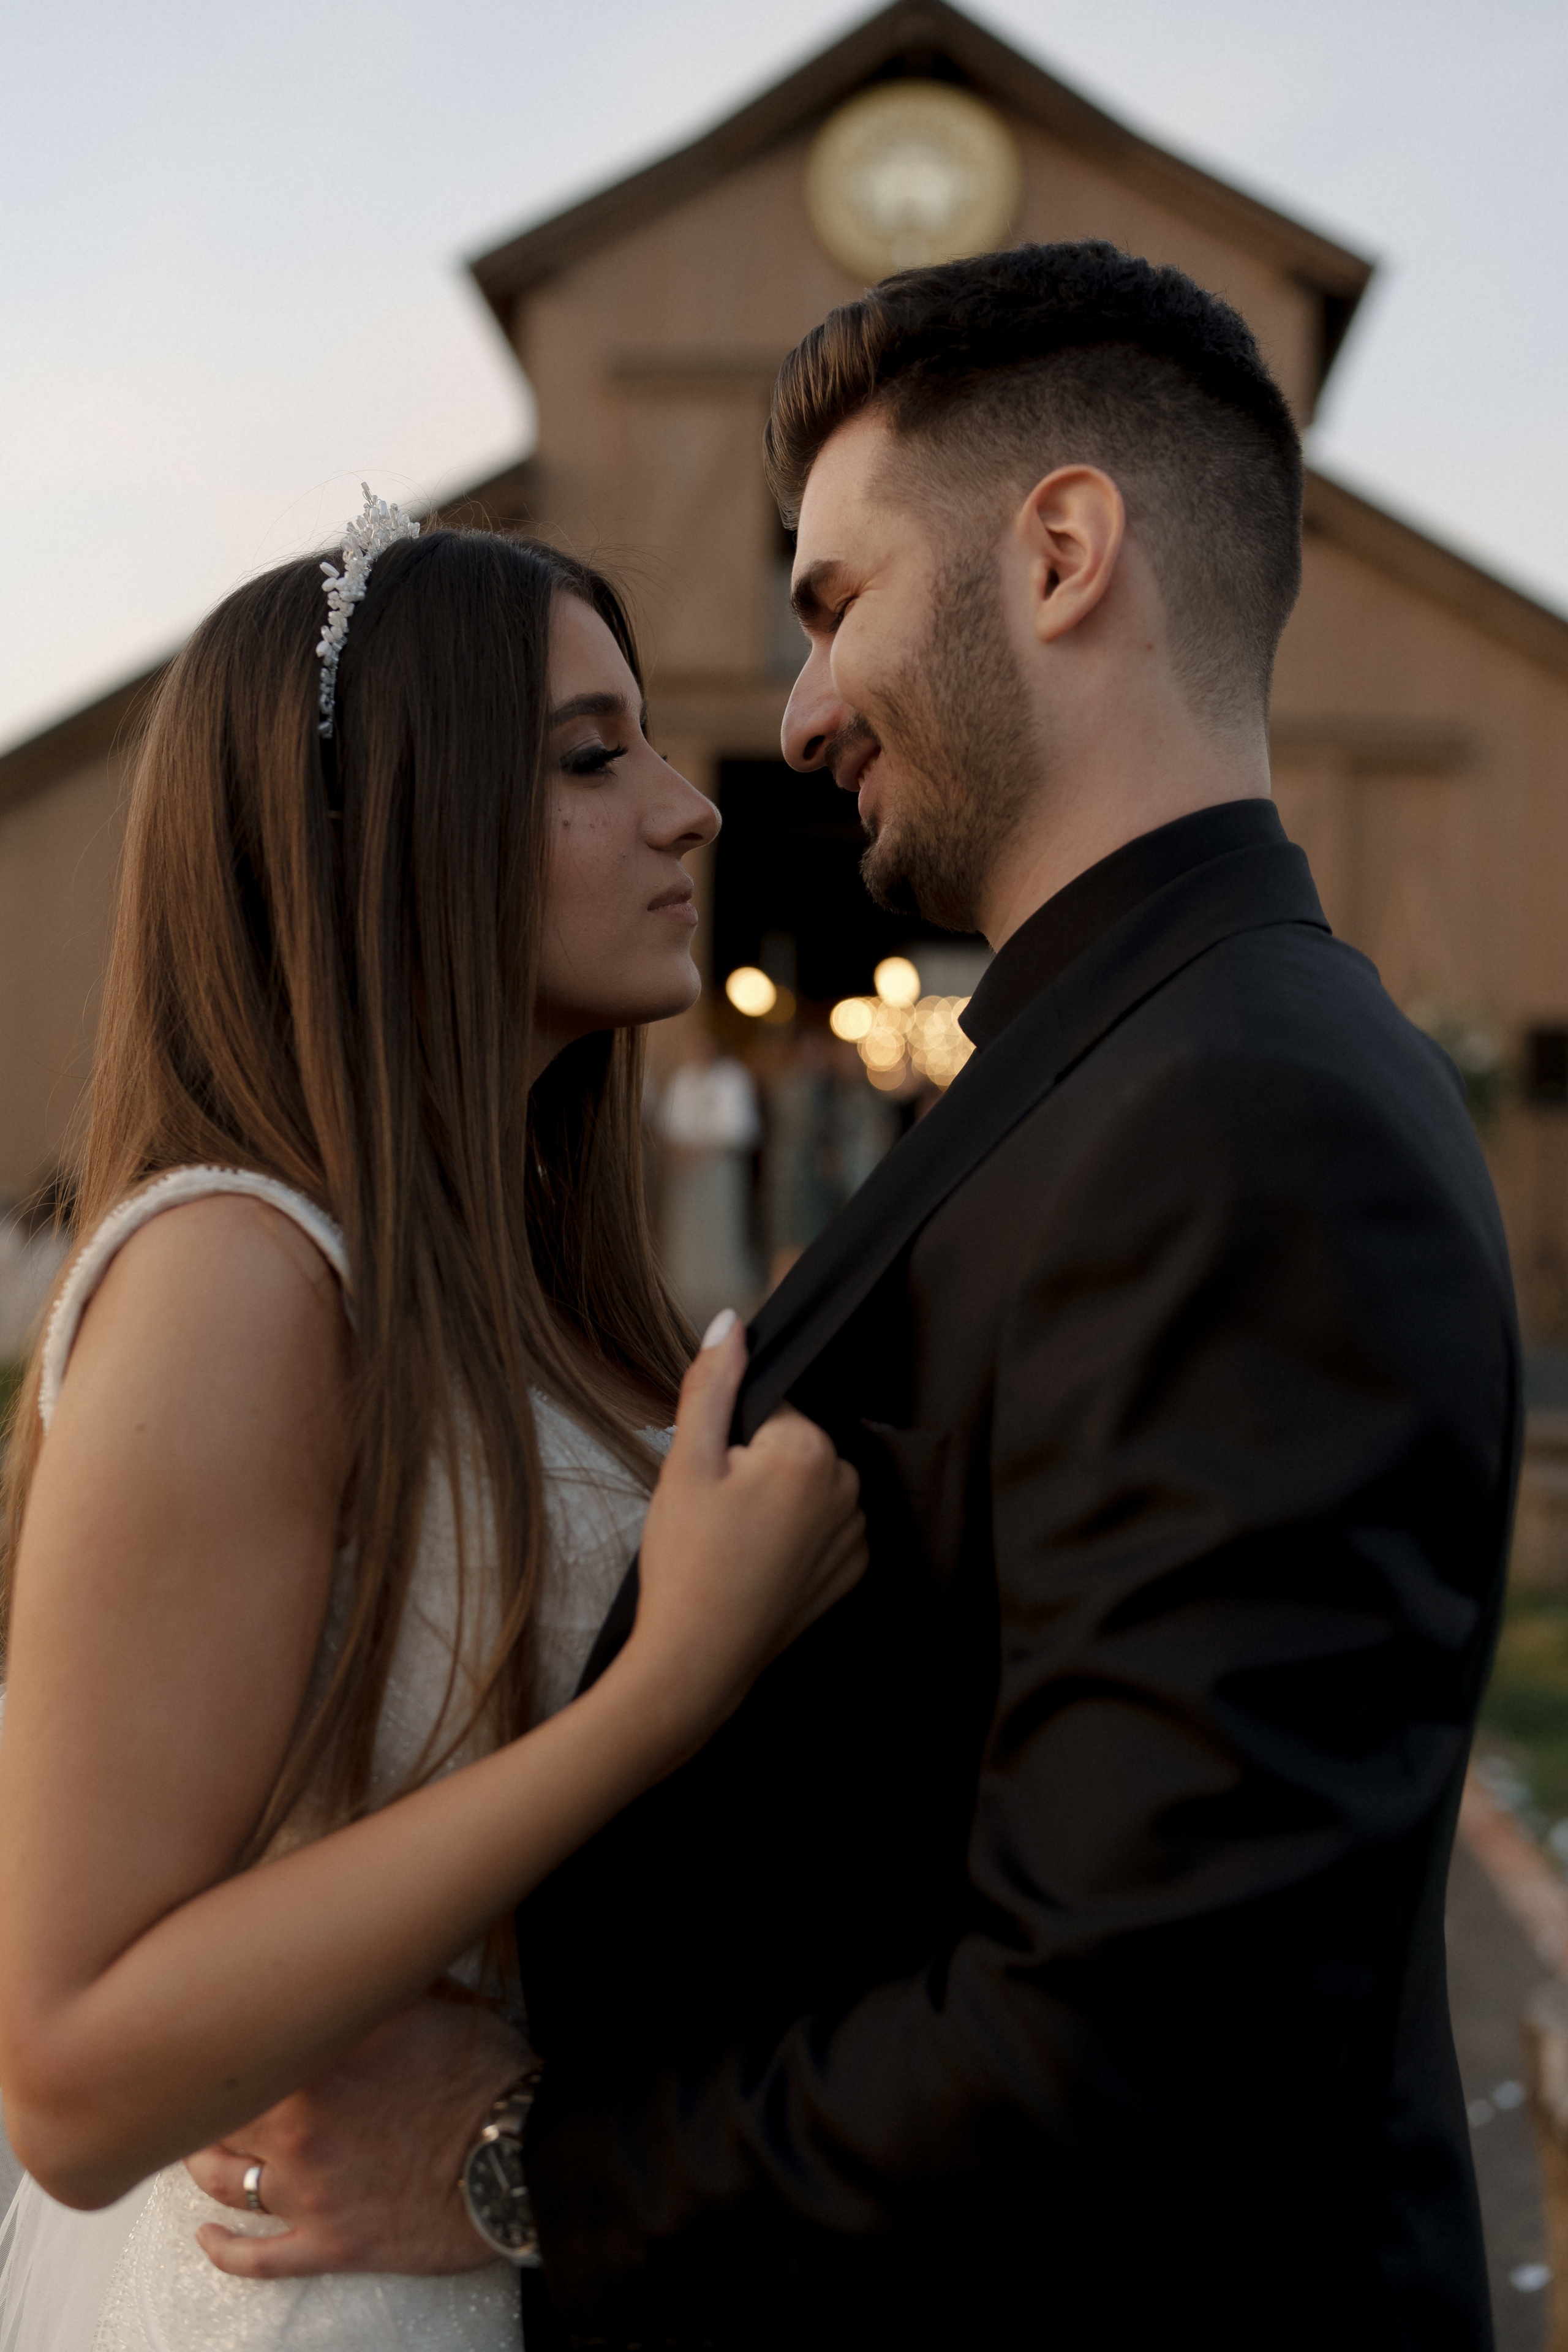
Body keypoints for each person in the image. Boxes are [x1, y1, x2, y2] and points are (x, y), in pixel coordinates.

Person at [169, 246, 1519, 2348]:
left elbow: (1149, 2042)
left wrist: (516, 2159)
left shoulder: (1245, 1119)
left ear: (1063, 553)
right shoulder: (1119, 1071)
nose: (788, 726)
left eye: (829, 606)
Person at [0, 502, 867, 2350]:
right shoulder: (240, 1271)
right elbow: (69, 2075)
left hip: (515, 2261)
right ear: (378, 825)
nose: (688, 804)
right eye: (587, 756)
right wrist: (667, 1688)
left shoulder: (526, 1290)